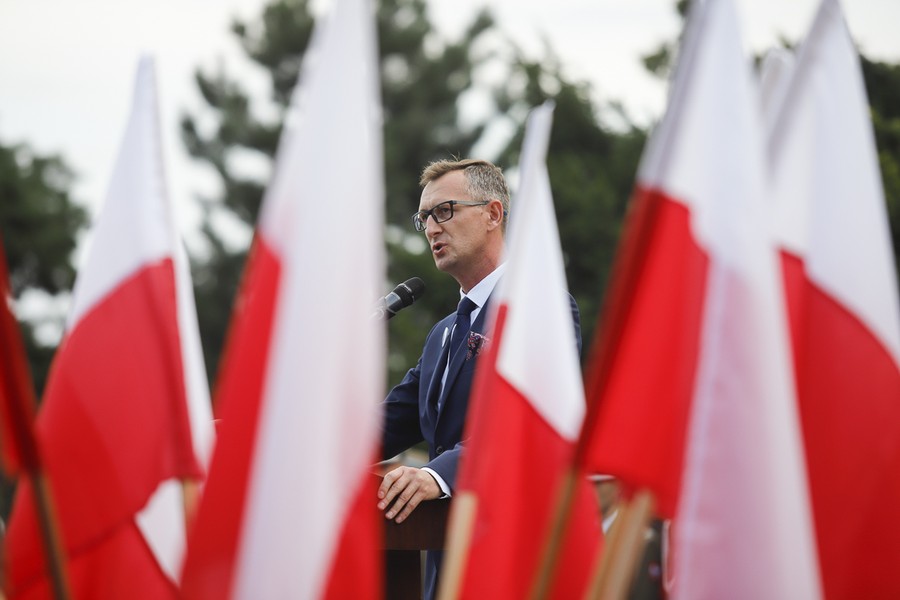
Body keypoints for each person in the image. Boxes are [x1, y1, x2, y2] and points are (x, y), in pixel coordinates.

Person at [378, 158, 581, 599]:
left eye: (444, 211)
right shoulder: (443, 334)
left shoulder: (538, 305)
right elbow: (386, 425)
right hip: (444, 568)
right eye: (424, 218)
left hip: (512, 567)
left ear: (492, 213)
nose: (432, 228)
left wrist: (438, 476)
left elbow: (526, 423)